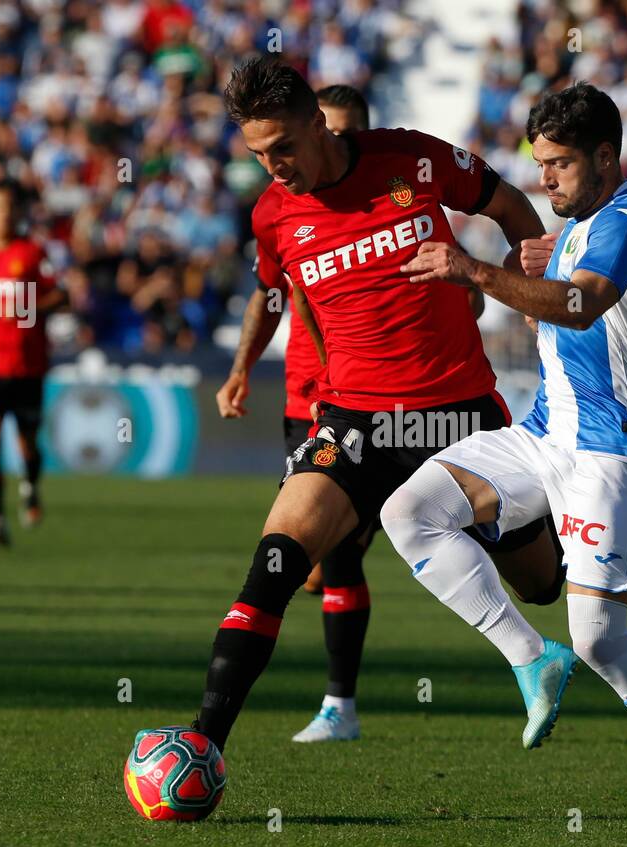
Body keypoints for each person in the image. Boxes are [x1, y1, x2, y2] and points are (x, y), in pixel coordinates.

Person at [382, 83, 627, 827]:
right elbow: (560, 289)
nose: (544, 179)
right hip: (545, 434)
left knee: (600, 638)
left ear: (606, 159)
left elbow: (582, 306)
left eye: (560, 164)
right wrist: (533, 264)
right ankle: (528, 656)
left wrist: (477, 271)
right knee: (412, 511)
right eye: (539, 163)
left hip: (613, 450)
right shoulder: (575, 227)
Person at [192, 58, 565, 756]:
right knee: (275, 564)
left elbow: (510, 205)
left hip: (459, 415)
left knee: (541, 584)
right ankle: (203, 744)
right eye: (257, 154)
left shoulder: (410, 160)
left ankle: (551, 597)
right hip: (353, 419)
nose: (273, 166)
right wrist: (244, 366)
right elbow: (271, 294)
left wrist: (531, 286)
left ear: (317, 124)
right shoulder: (273, 215)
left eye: (283, 147)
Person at [0, 181, 64, 545]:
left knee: (27, 444)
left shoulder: (34, 253)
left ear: (18, 212)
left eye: (8, 206)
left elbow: (61, 296)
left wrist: (30, 307)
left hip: (26, 364)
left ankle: (30, 486)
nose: (2, 214)